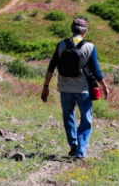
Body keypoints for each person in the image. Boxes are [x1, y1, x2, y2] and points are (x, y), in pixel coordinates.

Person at [41, 18, 109, 160]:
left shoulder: (61, 45)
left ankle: (73, 144)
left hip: (65, 88)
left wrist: (46, 87)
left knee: (68, 116)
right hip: (83, 89)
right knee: (86, 119)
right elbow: (96, 71)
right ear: (84, 31)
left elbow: (51, 68)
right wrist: (104, 87)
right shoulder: (90, 47)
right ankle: (81, 150)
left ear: (72, 29)